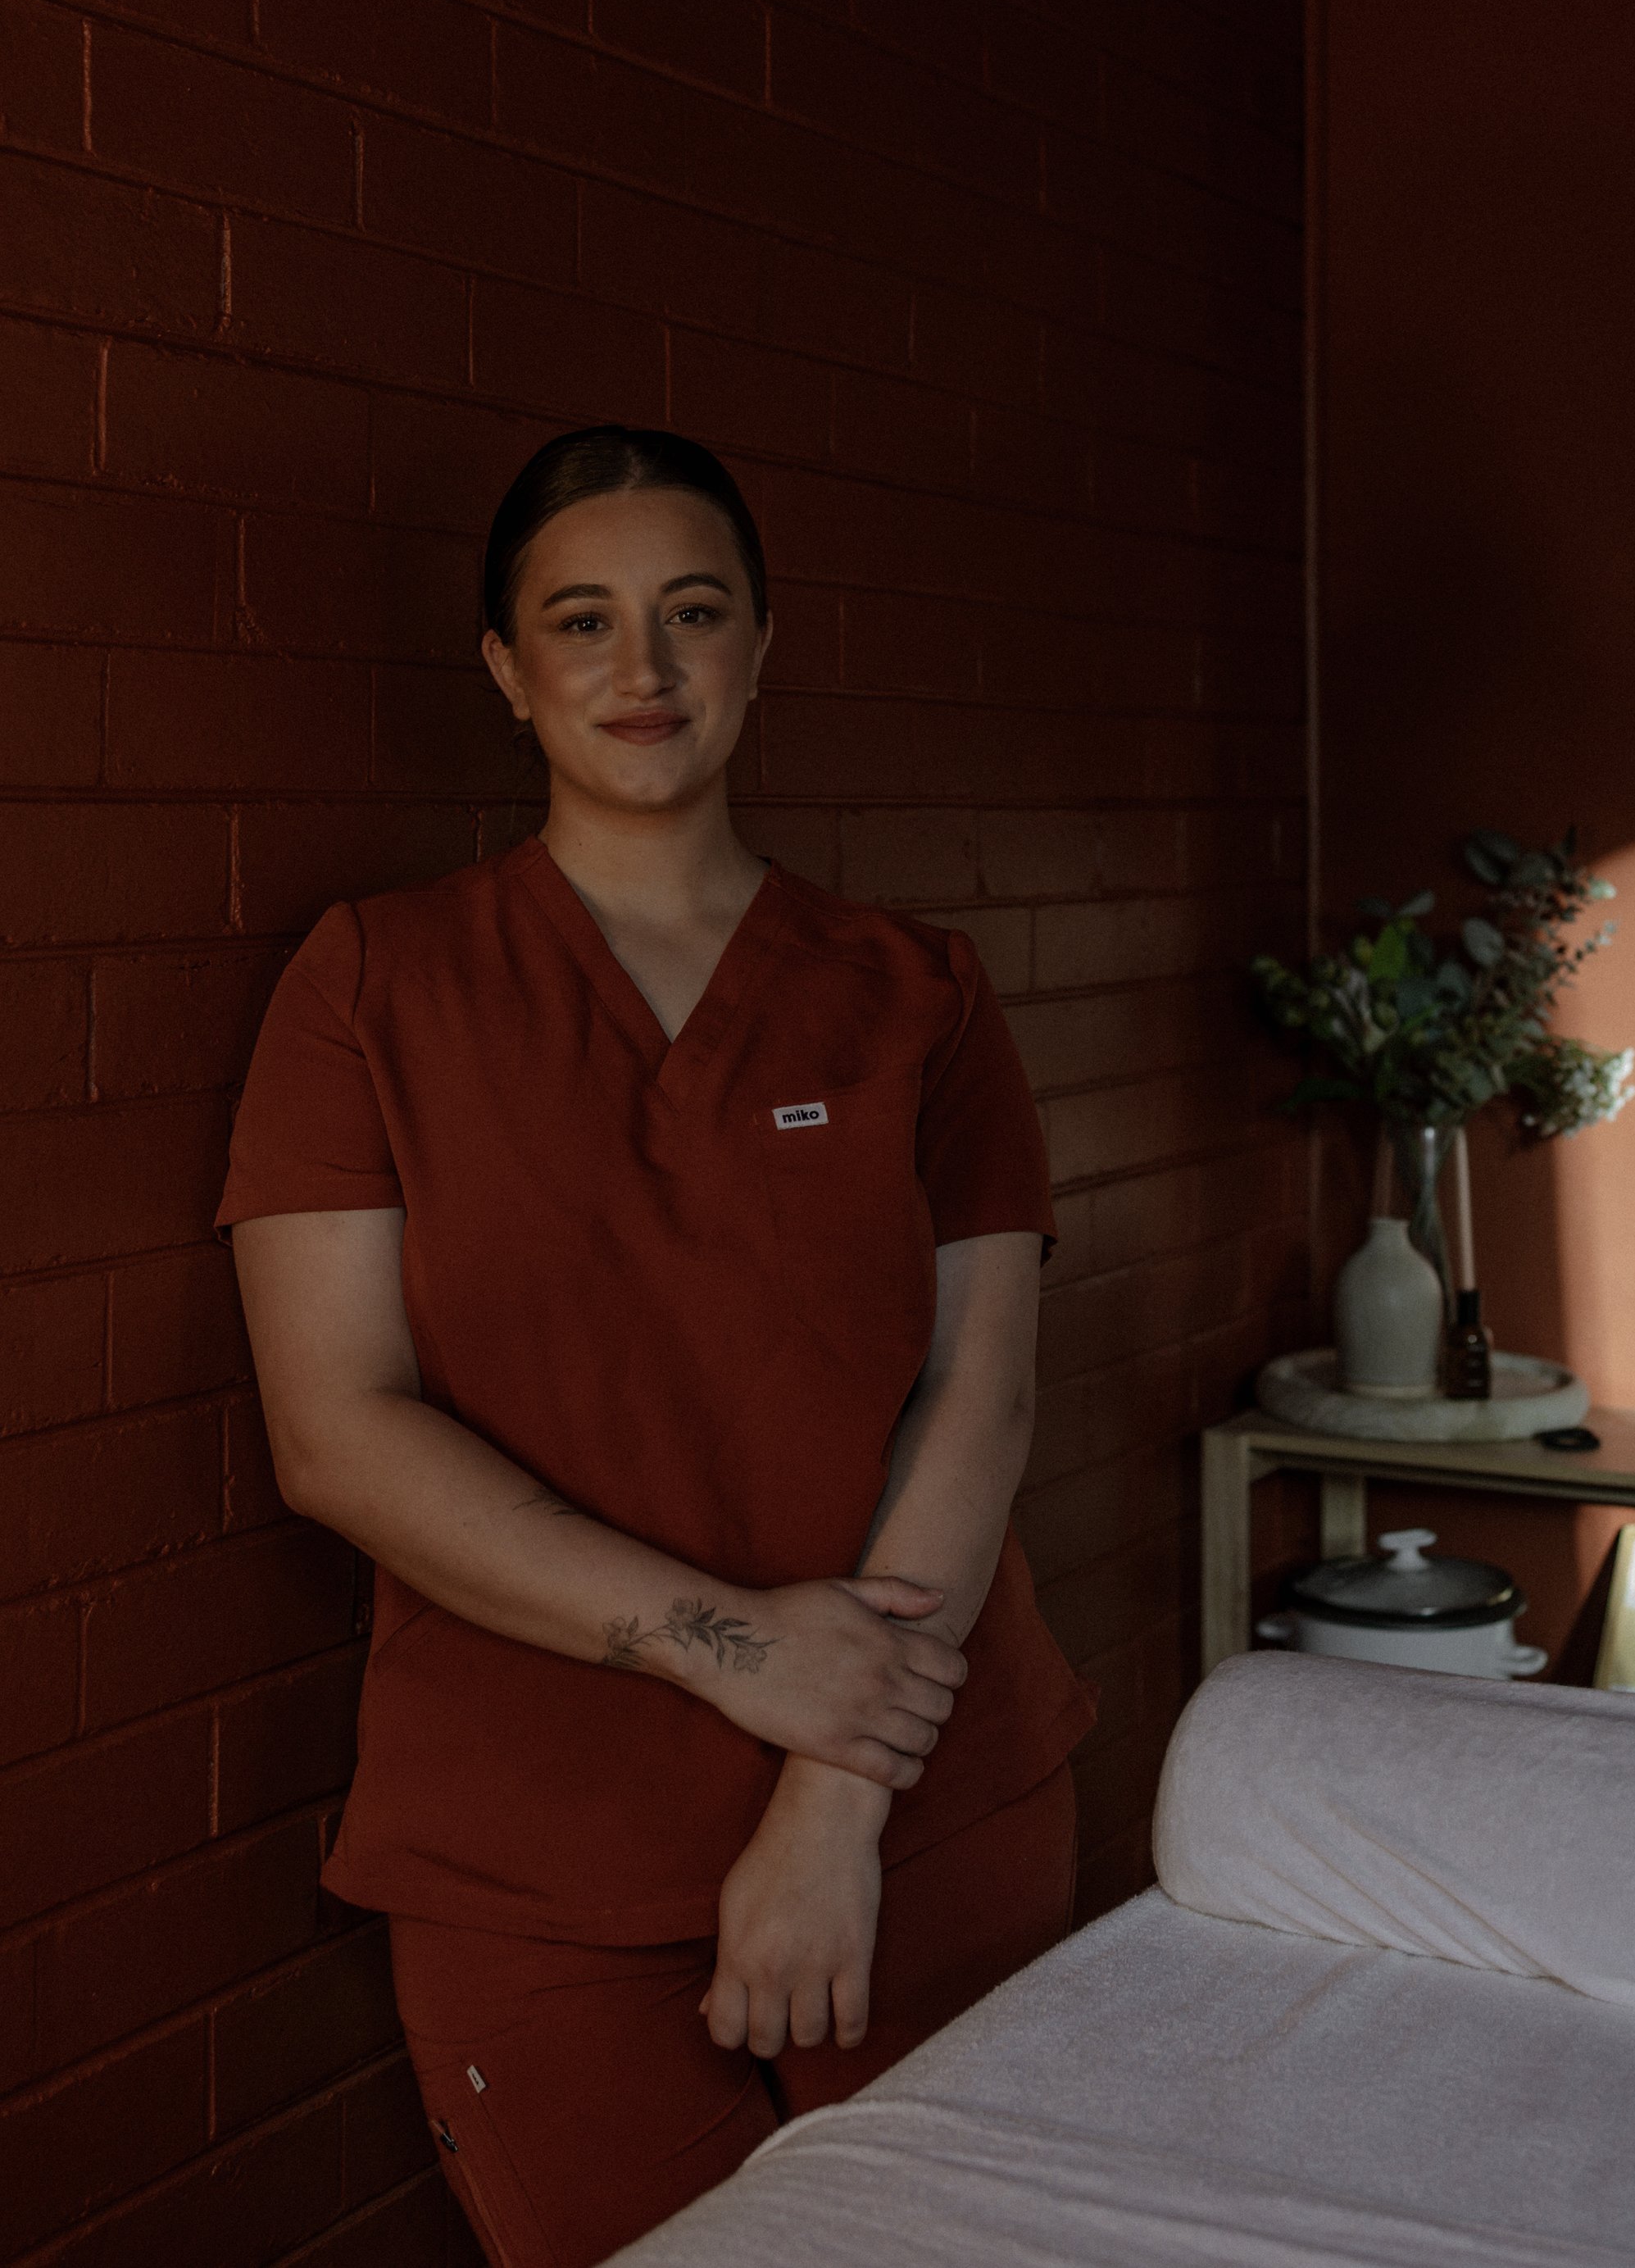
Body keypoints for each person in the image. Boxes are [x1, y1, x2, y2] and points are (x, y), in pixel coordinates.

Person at [224, 424, 1094, 2268]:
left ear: (762, 643)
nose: (643, 666)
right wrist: (741, 1654)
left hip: (923, 1805)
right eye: (583, 619)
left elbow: (983, 1389)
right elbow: (337, 1433)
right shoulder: (370, 983)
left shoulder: (918, 991)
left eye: (693, 612)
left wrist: (834, 1786)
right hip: (537, 1847)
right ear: (505, 667)